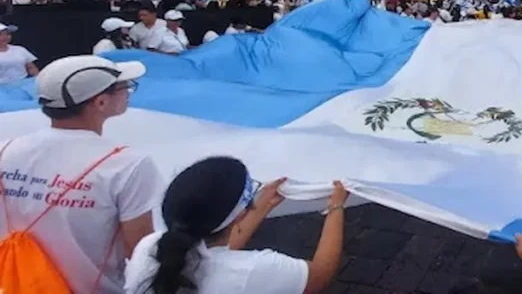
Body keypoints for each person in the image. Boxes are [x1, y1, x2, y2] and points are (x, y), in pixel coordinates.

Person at [0, 55, 161, 293]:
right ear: (100, 102)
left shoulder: (5, 150)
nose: (128, 92)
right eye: (123, 87)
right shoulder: (127, 164)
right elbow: (139, 253)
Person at [124, 157, 348, 294]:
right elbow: (319, 275)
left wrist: (262, 206)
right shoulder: (251, 271)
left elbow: (218, 251)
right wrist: (336, 207)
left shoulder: (150, 247)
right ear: (240, 214)